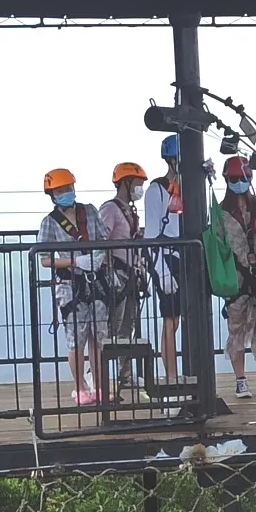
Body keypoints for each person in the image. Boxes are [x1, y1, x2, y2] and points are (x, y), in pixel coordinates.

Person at [37, 168, 111, 405]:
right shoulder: (50, 223)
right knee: (76, 338)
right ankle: (80, 388)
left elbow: (104, 238)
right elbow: (44, 258)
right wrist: (74, 262)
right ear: (52, 194)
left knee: (98, 336)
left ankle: (99, 386)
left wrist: (98, 257)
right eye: (60, 190)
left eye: (68, 188)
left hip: (96, 281)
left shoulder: (89, 212)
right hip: (70, 284)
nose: (66, 193)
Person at [217, 155, 256, 398]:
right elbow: (220, 246)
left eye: (244, 178)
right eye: (235, 178)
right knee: (236, 328)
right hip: (237, 278)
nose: (240, 182)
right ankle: (240, 380)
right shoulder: (221, 213)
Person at [99, 162, 148, 389]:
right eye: (137, 183)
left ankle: (125, 374)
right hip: (116, 276)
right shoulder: (110, 210)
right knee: (112, 326)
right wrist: (107, 268)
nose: (139, 188)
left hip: (131, 275)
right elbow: (101, 240)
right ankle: (97, 373)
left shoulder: (129, 211)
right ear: (125, 183)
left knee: (128, 326)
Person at [143, 135, 184, 383]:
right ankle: (171, 377)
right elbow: (150, 234)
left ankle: (179, 375)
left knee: (179, 320)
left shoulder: (191, 189)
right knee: (171, 321)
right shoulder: (156, 190)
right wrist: (161, 271)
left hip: (185, 257)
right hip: (165, 258)